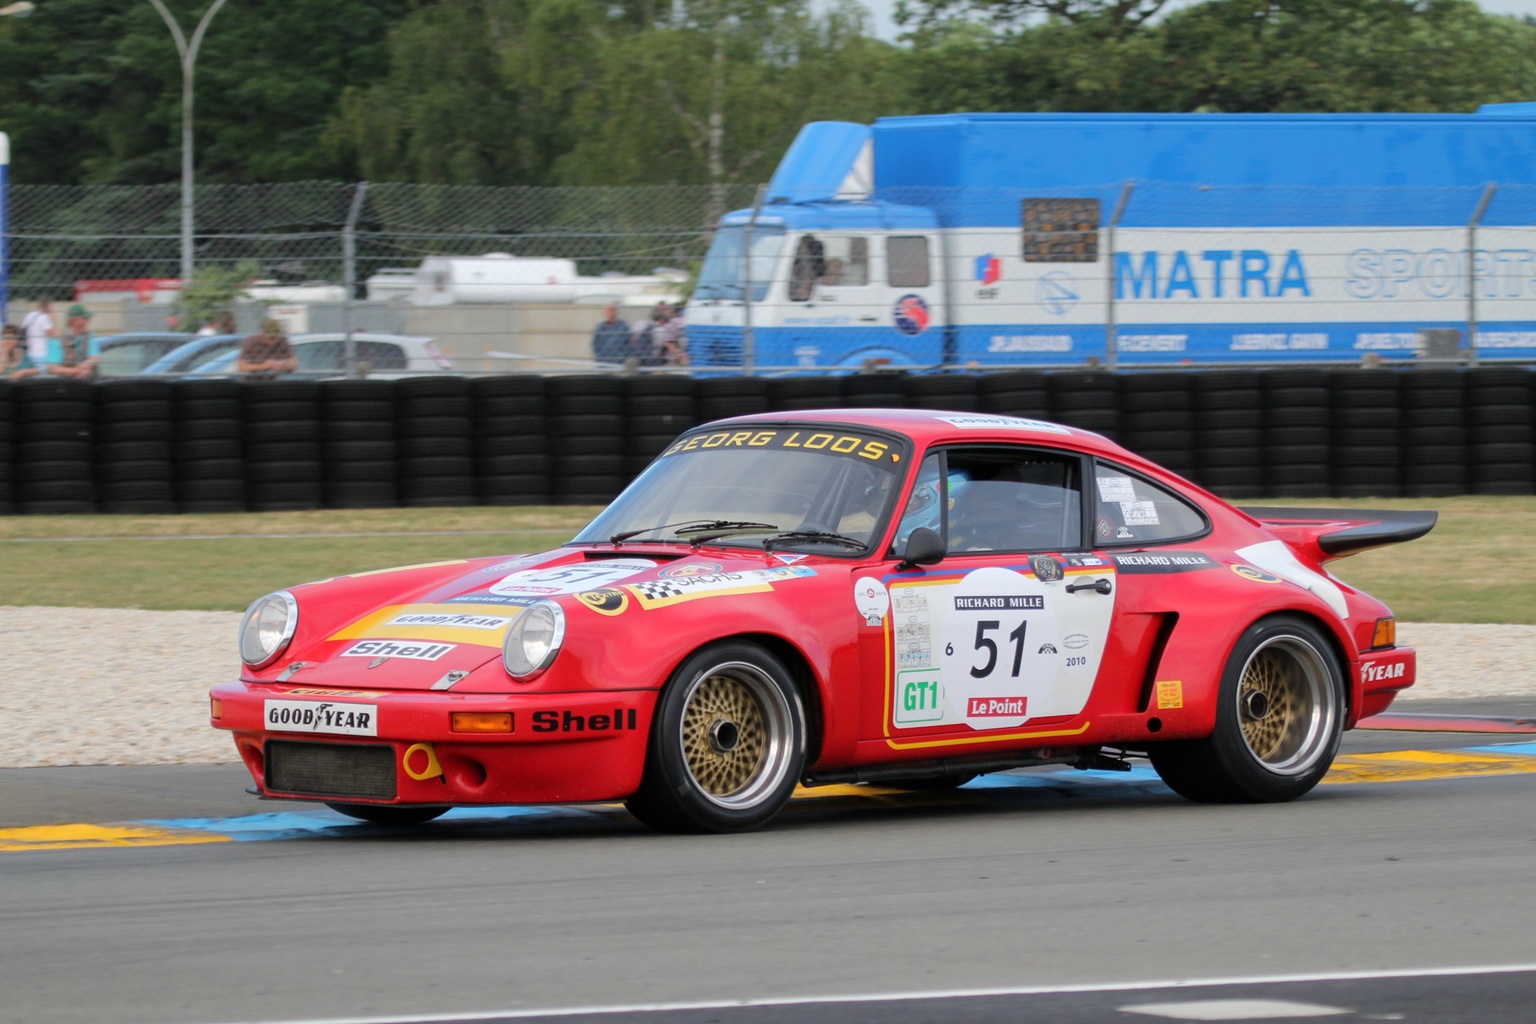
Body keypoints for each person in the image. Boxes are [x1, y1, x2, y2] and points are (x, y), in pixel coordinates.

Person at [43, 304, 100, 380]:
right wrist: (76, 371)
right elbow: (53, 368)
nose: (88, 320)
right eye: (85, 318)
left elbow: (94, 357)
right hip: (67, 383)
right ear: (75, 321)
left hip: (89, 380)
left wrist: (85, 365)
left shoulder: (89, 336)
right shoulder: (57, 340)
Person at [21, 298, 56, 363]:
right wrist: (53, 319)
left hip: (29, 352)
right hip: (41, 353)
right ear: (48, 307)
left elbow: (23, 328)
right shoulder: (44, 317)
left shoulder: (30, 315)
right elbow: (52, 334)